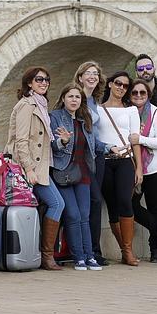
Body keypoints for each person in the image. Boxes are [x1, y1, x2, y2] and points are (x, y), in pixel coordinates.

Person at [50, 83, 118, 271]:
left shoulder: (84, 118)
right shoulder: (54, 117)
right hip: (63, 171)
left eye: (77, 97)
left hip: (84, 172)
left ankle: (90, 256)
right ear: (63, 98)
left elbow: (93, 142)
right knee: (73, 214)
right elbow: (51, 145)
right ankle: (78, 257)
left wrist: (108, 147)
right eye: (70, 96)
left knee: (84, 216)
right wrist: (62, 141)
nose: (74, 100)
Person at [4, 66, 65, 271]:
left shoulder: (41, 104)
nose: (44, 83)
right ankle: (46, 256)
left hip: (40, 168)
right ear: (29, 82)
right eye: (39, 79)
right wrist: (29, 169)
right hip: (25, 169)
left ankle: (41, 254)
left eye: (46, 79)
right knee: (57, 203)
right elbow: (20, 140)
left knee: (53, 204)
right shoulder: (26, 105)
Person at [98, 71, 143, 266]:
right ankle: (123, 250)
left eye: (125, 86)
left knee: (125, 201)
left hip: (125, 160)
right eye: (118, 83)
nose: (121, 88)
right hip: (105, 160)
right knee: (112, 206)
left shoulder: (131, 110)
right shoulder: (98, 110)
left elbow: (135, 141)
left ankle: (128, 250)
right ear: (109, 84)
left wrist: (139, 168)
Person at [128, 79, 157, 262]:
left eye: (142, 93)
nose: (138, 96)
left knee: (156, 208)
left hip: (156, 168)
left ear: (148, 95)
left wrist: (140, 139)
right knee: (130, 204)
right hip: (134, 167)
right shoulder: (127, 113)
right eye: (134, 93)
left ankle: (154, 249)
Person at [73, 61, 109, 266]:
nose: (93, 77)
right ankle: (90, 250)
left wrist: (106, 147)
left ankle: (94, 250)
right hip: (84, 158)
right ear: (80, 77)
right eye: (88, 73)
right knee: (93, 201)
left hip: (98, 157)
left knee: (95, 203)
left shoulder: (95, 101)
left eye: (96, 73)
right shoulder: (77, 99)